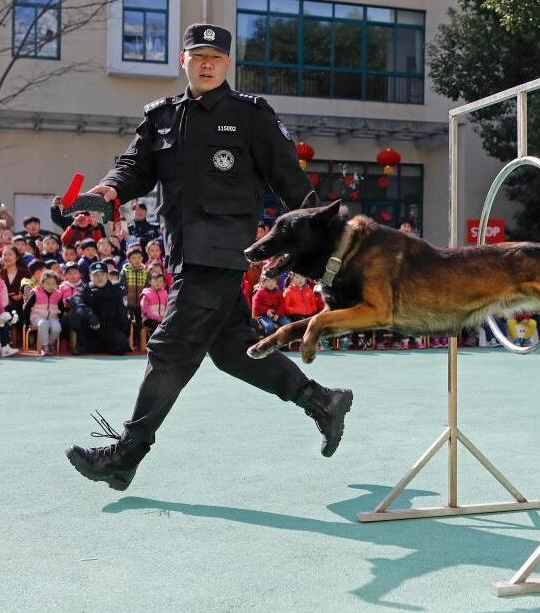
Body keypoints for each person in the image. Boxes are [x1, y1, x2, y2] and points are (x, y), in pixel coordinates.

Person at [65, 23, 351, 492]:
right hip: (186, 252)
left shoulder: (250, 115)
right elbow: (133, 167)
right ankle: (322, 401)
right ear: (183, 60)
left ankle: (126, 455)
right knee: (234, 353)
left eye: (215, 57)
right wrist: (106, 192)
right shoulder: (160, 117)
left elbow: (291, 182)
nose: (207, 63)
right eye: (198, 55)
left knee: (169, 350)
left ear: (226, 63)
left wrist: (328, 235)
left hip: (221, 252)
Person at [68, 261, 129, 355]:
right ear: (90, 276)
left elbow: (123, 315)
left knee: (122, 346)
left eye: (102, 274)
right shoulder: (85, 289)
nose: (99, 278)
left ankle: (98, 347)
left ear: (107, 275)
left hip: (109, 329)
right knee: (76, 312)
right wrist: (90, 315)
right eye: (95, 275)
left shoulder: (116, 290)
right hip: (90, 329)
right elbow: (75, 301)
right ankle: (84, 346)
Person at [23, 270, 63, 356]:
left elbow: (61, 308)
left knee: (57, 328)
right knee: (43, 323)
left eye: (53, 283)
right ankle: (44, 346)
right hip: (36, 318)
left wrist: (61, 318)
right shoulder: (36, 292)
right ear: (42, 283)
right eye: (48, 283)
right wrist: (27, 322)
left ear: (57, 284)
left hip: (53, 318)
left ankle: (50, 344)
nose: (50, 286)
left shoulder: (58, 294)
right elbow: (26, 307)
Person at [120, 246, 148, 339]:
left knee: (140, 322)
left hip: (141, 303)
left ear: (142, 258)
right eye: (133, 258)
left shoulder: (145, 271)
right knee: (128, 322)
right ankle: (128, 340)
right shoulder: (125, 271)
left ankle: (138, 341)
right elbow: (122, 286)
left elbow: (147, 287)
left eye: (139, 257)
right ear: (128, 259)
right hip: (128, 303)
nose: (137, 260)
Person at [139, 271, 168, 341]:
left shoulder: (164, 293)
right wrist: (155, 317)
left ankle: (165, 344)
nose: (158, 283)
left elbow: (168, 306)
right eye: (155, 280)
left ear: (163, 283)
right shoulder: (146, 293)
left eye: (160, 281)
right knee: (156, 326)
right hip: (148, 319)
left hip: (162, 319)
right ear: (150, 281)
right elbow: (144, 309)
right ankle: (153, 343)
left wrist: (165, 317)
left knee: (168, 325)